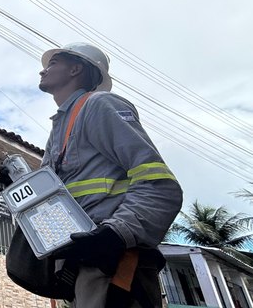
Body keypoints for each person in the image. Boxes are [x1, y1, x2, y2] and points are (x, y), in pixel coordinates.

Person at [37, 42, 182, 308]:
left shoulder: (99, 105)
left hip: (115, 264)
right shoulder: (60, 126)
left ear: (76, 69)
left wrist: (115, 234)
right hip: (80, 268)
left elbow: (159, 185)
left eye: (53, 63)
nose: (43, 70)